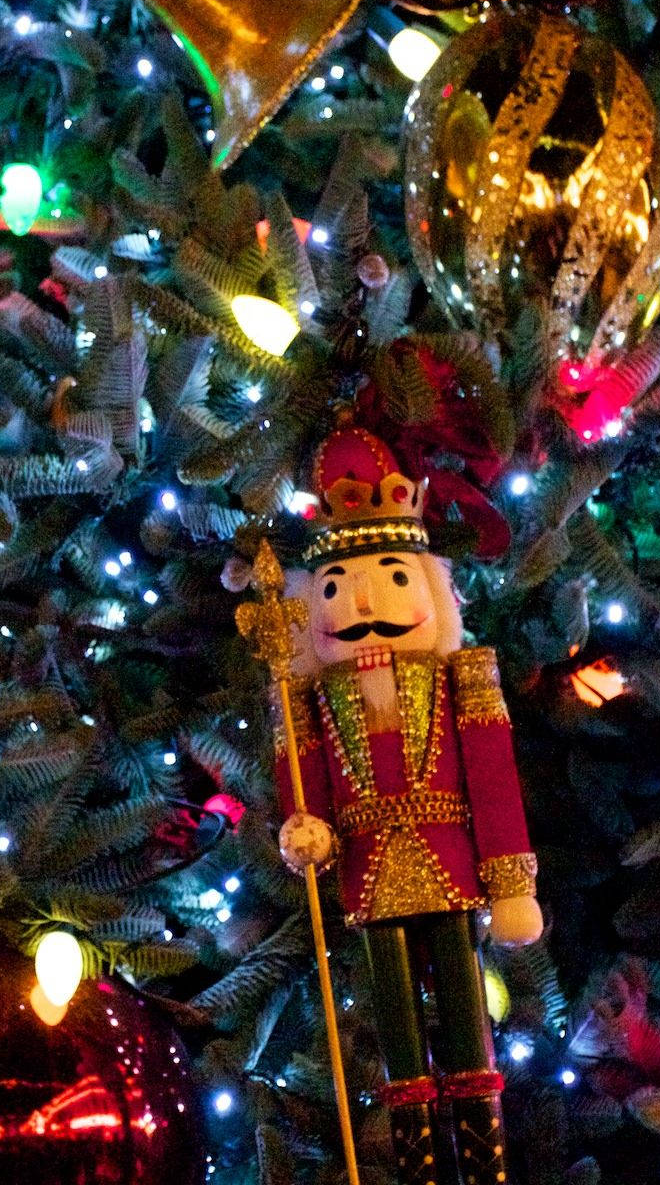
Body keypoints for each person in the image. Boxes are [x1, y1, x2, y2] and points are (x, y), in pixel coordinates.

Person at [271, 423, 541, 1185]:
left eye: (391, 578)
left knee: (466, 1028)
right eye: (335, 588)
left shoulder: (462, 680)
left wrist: (512, 885)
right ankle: (421, 1165)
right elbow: (302, 781)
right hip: (367, 878)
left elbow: (493, 781)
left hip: (452, 873)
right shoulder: (309, 701)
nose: (361, 604)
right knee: (399, 1046)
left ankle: (484, 1167)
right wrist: (304, 826)